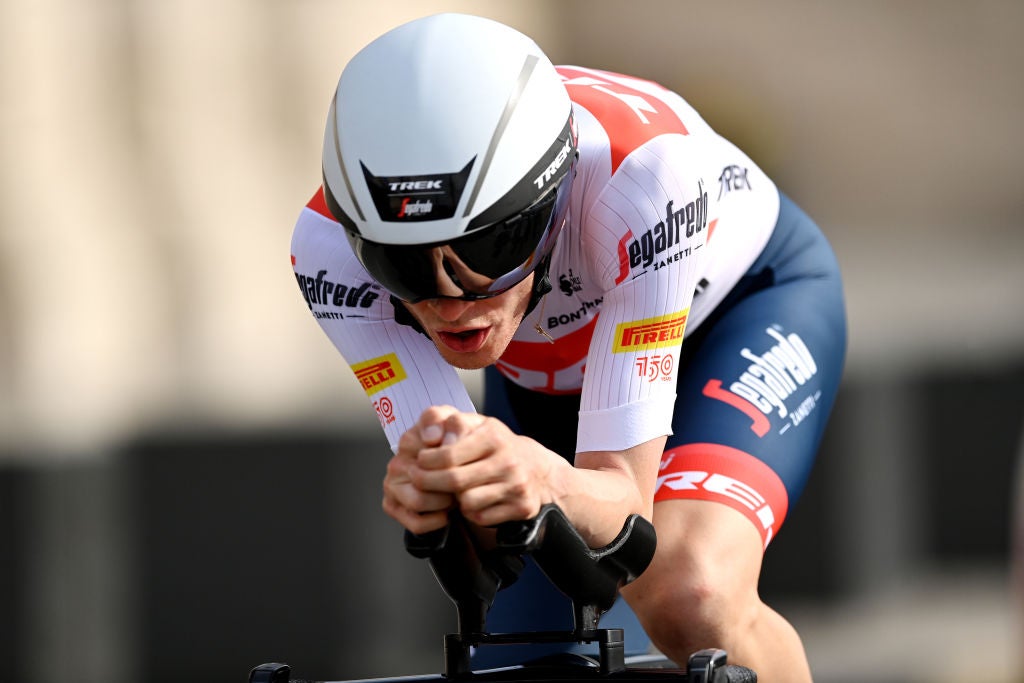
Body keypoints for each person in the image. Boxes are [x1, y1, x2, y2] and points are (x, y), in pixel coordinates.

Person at [290, 12, 846, 682]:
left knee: (690, 592)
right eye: (402, 265)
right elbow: (480, 544)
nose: (451, 303)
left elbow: (625, 510)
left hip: (735, 313)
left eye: (487, 249)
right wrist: (438, 502)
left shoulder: (641, 179)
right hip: (551, 372)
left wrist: (543, 478)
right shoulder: (326, 253)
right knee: (526, 659)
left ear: (552, 202)